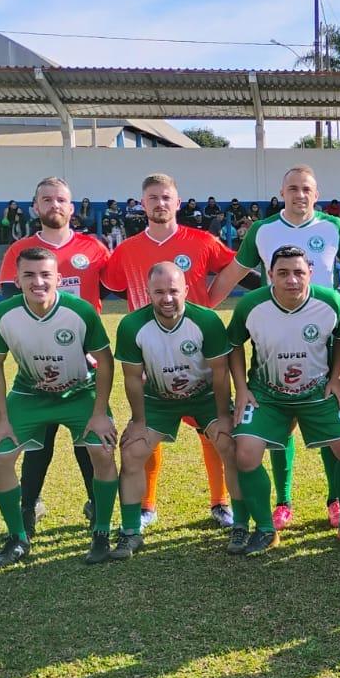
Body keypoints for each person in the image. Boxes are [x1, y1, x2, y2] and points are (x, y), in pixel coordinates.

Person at [211, 165, 340, 533]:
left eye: (306, 189)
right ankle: (282, 502)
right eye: (293, 188)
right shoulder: (263, 231)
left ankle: (337, 502)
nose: (299, 194)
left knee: (332, 428)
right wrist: (201, 311)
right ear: (282, 192)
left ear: (317, 193)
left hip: (321, 338)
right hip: (275, 334)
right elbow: (233, 273)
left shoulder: (334, 228)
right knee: (279, 427)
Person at [101, 173, 240, 531]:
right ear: (142, 204)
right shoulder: (127, 249)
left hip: (198, 352)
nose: (160, 204)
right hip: (151, 353)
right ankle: (146, 505)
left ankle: (221, 502)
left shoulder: (202, 240)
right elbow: (114, 286)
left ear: (178, 202)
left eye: (166, 197)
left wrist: (209, 302)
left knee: (212, 430)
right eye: (152, 198)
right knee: (147, 425)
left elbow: (233, 269)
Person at [0, 247, 120, 568]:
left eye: (46, 274)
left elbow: (105, 361)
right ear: (16, 279)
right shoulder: (5, 314)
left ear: (59, 279)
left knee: (102, 450)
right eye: (29, 275)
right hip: (29, 395)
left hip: (80, 393)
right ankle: (17, 537)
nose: (38, 282)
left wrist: (100, 413)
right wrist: (1, 419)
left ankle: (101, 530)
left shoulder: (80, 311)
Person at [227, 245, 340, 554]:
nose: (292, 280)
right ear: (270, 276)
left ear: (310, 274)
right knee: (246, 454)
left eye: (299, 273)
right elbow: (235, 345)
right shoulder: (251, 305)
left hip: (318, 391)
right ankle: (265, 529)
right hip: (267, 394)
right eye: (283, 273)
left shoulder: (331, 302)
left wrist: (336, 379)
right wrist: (241, 388)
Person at [0, 177, 113, 537]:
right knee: (39, 440)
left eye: (61, 199)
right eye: (46, 199)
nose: (54, 205)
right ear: (35, 207)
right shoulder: (21, 249)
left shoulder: (93, 247)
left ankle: (97, 504)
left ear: (72, 206)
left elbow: (108, 290)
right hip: (38, 362)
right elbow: (8, 301)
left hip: (84, 362)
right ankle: (28, 505)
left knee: (87, 440)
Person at [114, 262, 240, 559]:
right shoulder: (132, 325)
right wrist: (137, 420)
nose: (167, 299)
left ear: (185, 290)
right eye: (159, 292)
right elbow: (132, 378)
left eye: (173, 291)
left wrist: (223, 416)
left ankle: (242, 524)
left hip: (205, 396)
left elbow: (221, 374)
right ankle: (131, 530)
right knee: (132, 450)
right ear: (148, 293)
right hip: (158, 399)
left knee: (230, 444)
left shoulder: (206, 321)